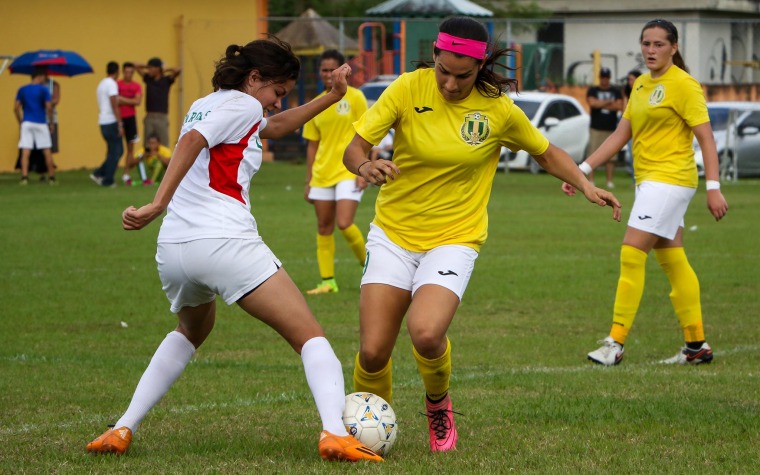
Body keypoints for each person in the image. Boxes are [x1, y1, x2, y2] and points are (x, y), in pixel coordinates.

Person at [85, 37, 382, 463]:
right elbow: (190, 143)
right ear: (254, 77)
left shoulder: (211, 103)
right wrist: (156, 202)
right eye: (277, 92)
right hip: (225, 241)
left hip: (175, 249)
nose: (278, 104)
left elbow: (275, 127)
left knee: (191, 330)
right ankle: (335, 433)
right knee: (311, 338)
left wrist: (331, 96)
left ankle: (122, 427)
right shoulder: (243, 105)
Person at [342, 16, 621, 453]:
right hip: (393, 234)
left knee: (427, 333)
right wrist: (364, 165)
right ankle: (367, 429)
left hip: (455, 236)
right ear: (434, 56)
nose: (451, 85)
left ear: (480, 67)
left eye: (463, 76)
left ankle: (438, 406)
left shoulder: (498, 109)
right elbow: (354, 146)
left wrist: (586, 183)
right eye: (444, 73)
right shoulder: (406, 88)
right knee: (374, 351)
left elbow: (545, 153)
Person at [562, 19, 729, 366]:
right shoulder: (639, 86)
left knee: (631, 252)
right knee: (673, 259)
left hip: (670, 181)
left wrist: (714, 188)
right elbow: (620, 135)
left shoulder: (685, 86)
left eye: (658, 44)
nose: (650, 50)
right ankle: (696, 345)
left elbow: (707, 139)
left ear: (674, 46)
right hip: (651, 183)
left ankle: (615, 343)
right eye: (646, 44)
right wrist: (582, 170)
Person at [302, 49, 369, 295]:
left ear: (344, 71)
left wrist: (363, 169)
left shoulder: (356, 98)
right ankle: (328, 282)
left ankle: (370, 269)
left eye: (333, 69)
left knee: (344, 222)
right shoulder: (315, 104)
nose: (329, 74)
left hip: (349, 170)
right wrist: (308, 180)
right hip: (321, 173)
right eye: (324, 69)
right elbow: (312, 144)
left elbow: (368, 134)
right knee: (323, 226)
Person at [15, 66, 56, 185]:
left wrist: (20, 121)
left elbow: (15, 108)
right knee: (46, 149)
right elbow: (49, 107)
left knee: (25, 150)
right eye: (44, 77)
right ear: (40, 77)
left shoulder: (22, 89)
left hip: (27, 122)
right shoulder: (43, 90)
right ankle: (52, 177)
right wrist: (51, 123)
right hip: (40, 122)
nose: (45, 79)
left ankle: (24, 177)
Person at [586, 67, 624, 189]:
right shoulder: (593, 90)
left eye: (606, 77)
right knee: (593, 153)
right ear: (600, 78)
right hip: (596, 128)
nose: (604, 80)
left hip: (611, 128)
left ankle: (609, 181)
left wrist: (601, 103)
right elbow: (592, 103)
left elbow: (619, 106)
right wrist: (608, 102)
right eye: (603, 77)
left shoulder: (616, 91)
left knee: (611, 157)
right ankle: (591, 180)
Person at [90, 61, 124, 188]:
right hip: (110, 121)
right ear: (117, 71)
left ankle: (99, 173)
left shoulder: (101, 84)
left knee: (112, 151)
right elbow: (114, 104)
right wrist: (120, 123)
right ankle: (107, 179)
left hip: (103, 121)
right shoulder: (112, 84)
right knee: (117, 151)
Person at [135, 57, 181, 148]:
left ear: (158, 69)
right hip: (149, 116)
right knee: (147, 145)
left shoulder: (166, 80)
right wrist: (148, 66)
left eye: (151, 68)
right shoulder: (148, 79)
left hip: (161, 117)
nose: (149, 70)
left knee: (163, 143)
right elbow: (136, 66)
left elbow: (178, 70)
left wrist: (164, 69)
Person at [118, 62, 145, 185]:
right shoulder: (117, 84)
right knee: (117, 148)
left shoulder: (136, 86)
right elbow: (114, 100)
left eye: (131, 72)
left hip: (130, 118)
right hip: (118, 118)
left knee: (130, 148)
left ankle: (126, 173)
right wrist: (130, 100)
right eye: (127, 72)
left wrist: (121, 100)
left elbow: (137, 101)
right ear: (123, 72)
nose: (129, 74)